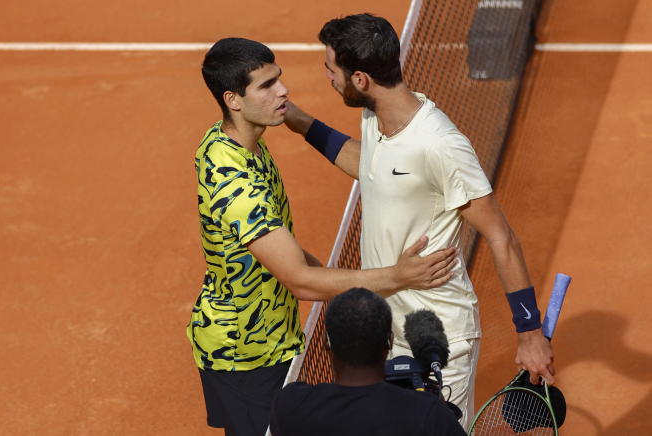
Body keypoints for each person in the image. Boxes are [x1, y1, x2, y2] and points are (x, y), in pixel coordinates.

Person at [283, 14, 555, 430]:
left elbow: (502, 237)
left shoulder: (440, 145)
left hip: (438, 337)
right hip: (385, 331)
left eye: (330, 69)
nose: (326, 77)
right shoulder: (376, 115)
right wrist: (298, 120)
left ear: (360, 79)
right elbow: (372, 166)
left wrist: (530, 334)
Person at [187, 37, 459, 436]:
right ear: (233, 100)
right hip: (245, 355)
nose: (284, 90)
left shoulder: (236, 144)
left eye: (278, 78)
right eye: (266, 86)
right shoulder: (235, 184)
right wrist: (396, 277)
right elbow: (299, 280)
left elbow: (288, 255)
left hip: (268, 337)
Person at [269, 287, 467, 436]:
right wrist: (438, 407)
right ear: (389, 341)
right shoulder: (428, 414)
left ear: (326, 342)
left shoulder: (289, 406)